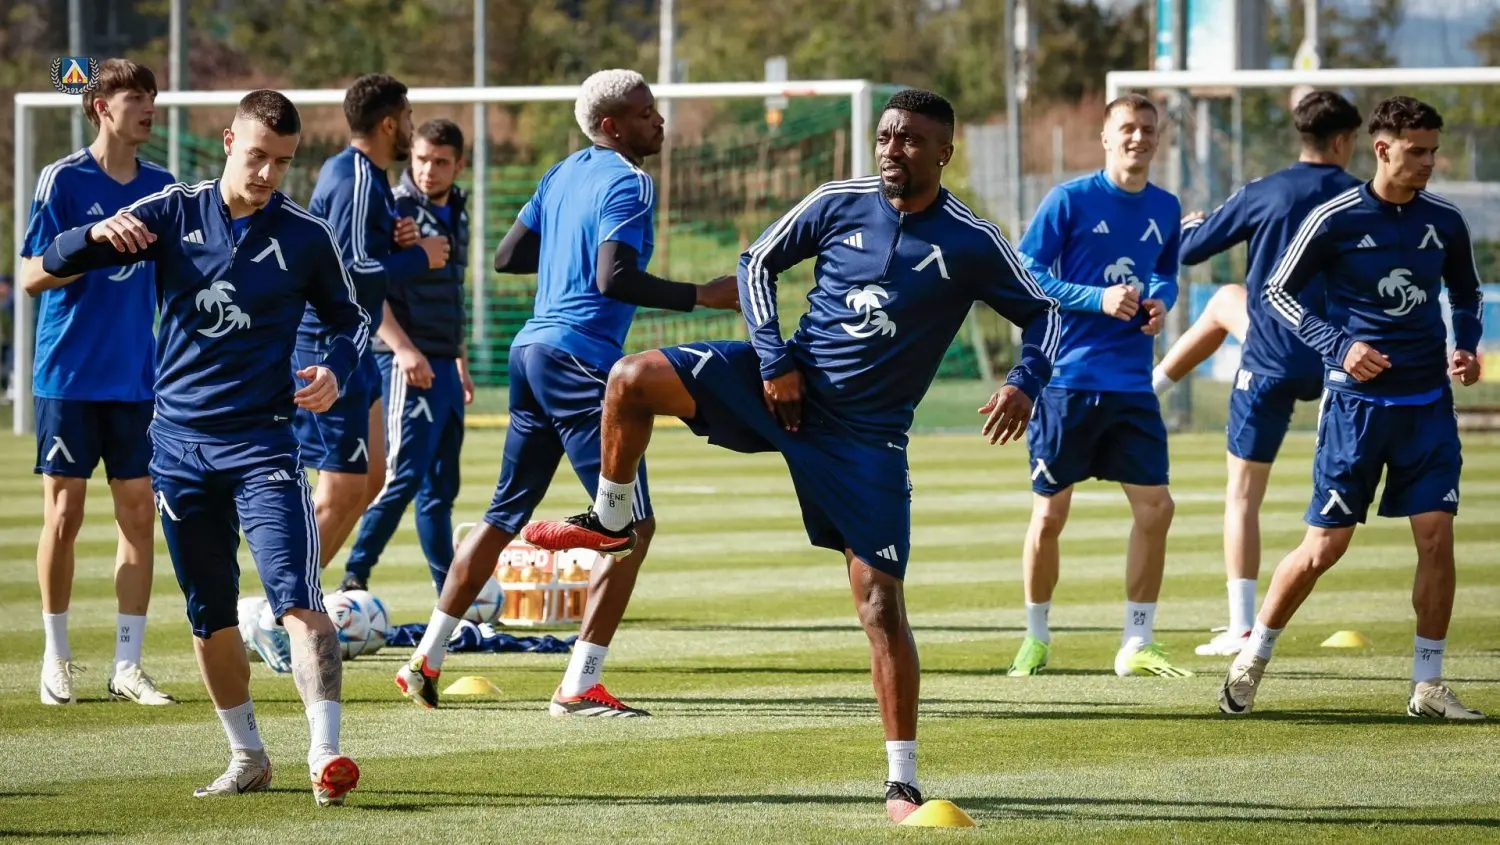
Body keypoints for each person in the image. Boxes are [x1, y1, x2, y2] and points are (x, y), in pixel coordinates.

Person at [522, 88, 1059, 824]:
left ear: (944, 152)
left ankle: (901, 782)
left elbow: (1044, 312)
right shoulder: (837, 201)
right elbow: (755, 264)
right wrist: (774, 358)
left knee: (880, 606)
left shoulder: (972, 240)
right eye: (886, 135)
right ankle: (613, 518)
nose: (892, 149)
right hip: (784, 388)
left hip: (865, 438)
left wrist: (1025, 382)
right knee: (630, 377)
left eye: (910, 140)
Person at [41, 89, 372, 802]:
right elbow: (54, 259)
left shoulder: (306, 236)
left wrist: (335, 371)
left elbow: (352, 320)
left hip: (264, 447)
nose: (268, 174)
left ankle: (325, 753)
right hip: (179, 451)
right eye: (257, 156)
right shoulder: (172, 211)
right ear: (228, 142)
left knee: (298, 598)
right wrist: (99, 233)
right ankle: (248, 755)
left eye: (282, 162)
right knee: (209, 613)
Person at [393, 68, 738, 710]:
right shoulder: (631, 180)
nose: (658, 119)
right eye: (645, 112)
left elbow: (509, 256)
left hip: (530, 354)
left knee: (502, 515)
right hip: (579, 360)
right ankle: (579, 686)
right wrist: (705, 295)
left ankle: (424, 659)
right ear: (612, 126)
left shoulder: (560, 174)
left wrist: (567, 251)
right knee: (631, 527)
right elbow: (614, 279)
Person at [1220, 96, 1485, 721]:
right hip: (1355, 409)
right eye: (1416, 151)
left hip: (1427, 406)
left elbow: (1466, 292)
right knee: (1324, 547)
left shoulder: (1444, 220)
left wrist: (1467, 346)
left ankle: (1428, 683)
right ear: (1382, 149)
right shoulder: (1335, 217)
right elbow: (1276, 292)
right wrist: (1339, 345)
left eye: (1433, 151)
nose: (1428, 162)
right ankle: (1254, 655)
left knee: (1436, 538)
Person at [1151, 91, 1364, 656]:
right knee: (1226, 300)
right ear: (1343, 141)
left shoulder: (1265, 191)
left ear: (1304, 136)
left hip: (1270, 360)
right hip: (1340, 362)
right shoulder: (1363, 199)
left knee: (1243, 495)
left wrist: (1193, 224)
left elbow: (1190, 250)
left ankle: (1242, 626)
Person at [1004, 94, 1189, 678]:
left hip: (1132, 385)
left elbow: (1166, 271)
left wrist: (1160, 302)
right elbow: (1027, 271)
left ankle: (1137, 642)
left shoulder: (1166, 206)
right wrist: (1096, 298)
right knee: (1050, 516)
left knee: (1157, 509)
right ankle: (1036, 636)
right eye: (1128, 128)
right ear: (1106, 137)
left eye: (1148, 129)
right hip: (1067, 381)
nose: (1139, 138)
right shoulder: (1069, 200)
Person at [18, 58, 176, 706]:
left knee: (138, 515)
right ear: (100, 107)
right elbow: (30, 275)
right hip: (69, 376)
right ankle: (56, 657)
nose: (148, 107)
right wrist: (91, 236)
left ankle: (127, 665)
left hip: (137, 380)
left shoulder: (164, 187)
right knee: (65, 513)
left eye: (152, 96)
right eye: (135, 97)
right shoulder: (63, 179)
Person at [294, 73, 448, 590]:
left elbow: (358, 253)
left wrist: (397, 240)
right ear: (388, 124)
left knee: (370, 480)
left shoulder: (371, 179)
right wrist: (420, 257)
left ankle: (300, 594)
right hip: (327, 346)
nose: (411, 126)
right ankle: (282, 604)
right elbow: (350, 274)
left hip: (357, 345)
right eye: (407, 117)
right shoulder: (356, 177)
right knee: (340, 490)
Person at [345, 118, 474, 592]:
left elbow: (453, 293)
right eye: (421, 159)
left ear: (459, 165)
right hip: (405, 361)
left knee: (440, 489)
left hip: (444, 364)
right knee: (399, 477)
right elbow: (366, 287)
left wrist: (460, 362)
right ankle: (354, 579)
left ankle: (449, 594)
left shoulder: (458, 211)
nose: (428, 170)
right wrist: (402, 349)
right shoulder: (395, 210)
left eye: (440, 162)